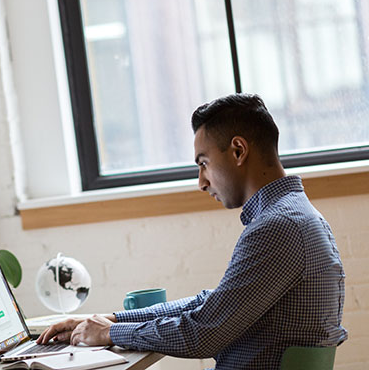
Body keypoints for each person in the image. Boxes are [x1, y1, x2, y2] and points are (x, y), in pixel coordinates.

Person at [36, 93, 348, 369]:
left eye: (204, 163)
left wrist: (108, 334)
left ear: (238, 151)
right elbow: (211, 304)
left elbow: (203, 334)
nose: (201, 182)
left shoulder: (277, 228)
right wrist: (113, 319)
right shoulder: (296, 216)